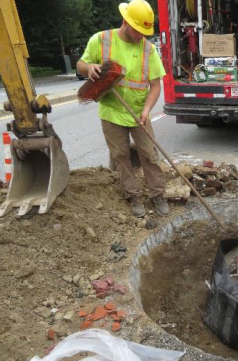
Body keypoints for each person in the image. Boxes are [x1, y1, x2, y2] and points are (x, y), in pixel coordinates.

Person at [77, 0, 169, 218]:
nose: (141, 36)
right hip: (111, 112)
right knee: (120, 156)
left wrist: (146, 111)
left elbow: (156, 85)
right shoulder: (101, 40)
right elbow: (81, 64)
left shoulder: (148, 49)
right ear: (125, 22)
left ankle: (158, 195)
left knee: (150, 155)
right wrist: (89, 67)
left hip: (139, 112)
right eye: (138, 30)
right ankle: (133, 195)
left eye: (144, 32)